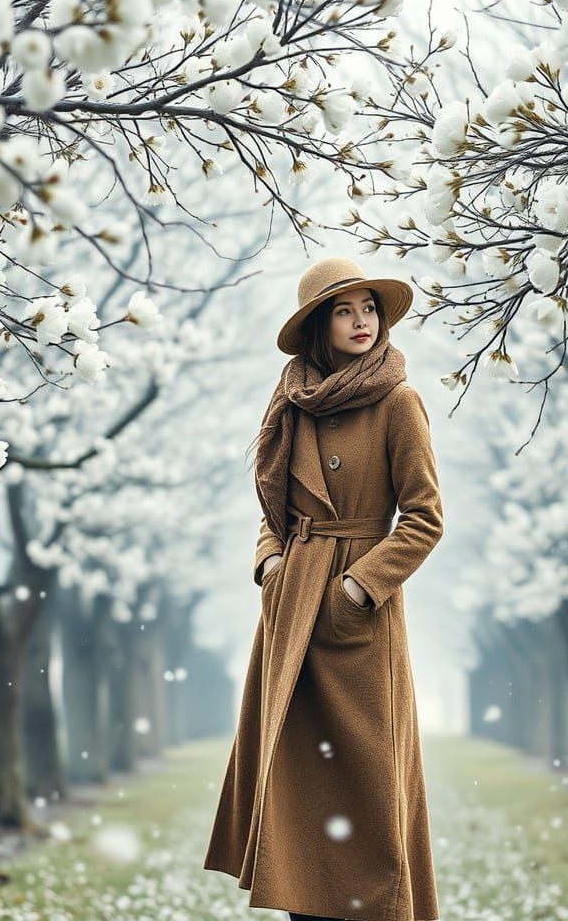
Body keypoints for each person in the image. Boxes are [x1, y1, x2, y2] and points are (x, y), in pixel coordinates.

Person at [203, 256, 445, 921]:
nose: (362, 321)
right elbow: (272, 509)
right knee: (298, 799)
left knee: (368, 798)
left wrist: (358, 592)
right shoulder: (292, 404)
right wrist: (270, 565)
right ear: (319, 324)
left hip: (357, 627)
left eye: (369, 308)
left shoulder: (399, 402)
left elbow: (425, 519)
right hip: (290, 619)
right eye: (345, 310)